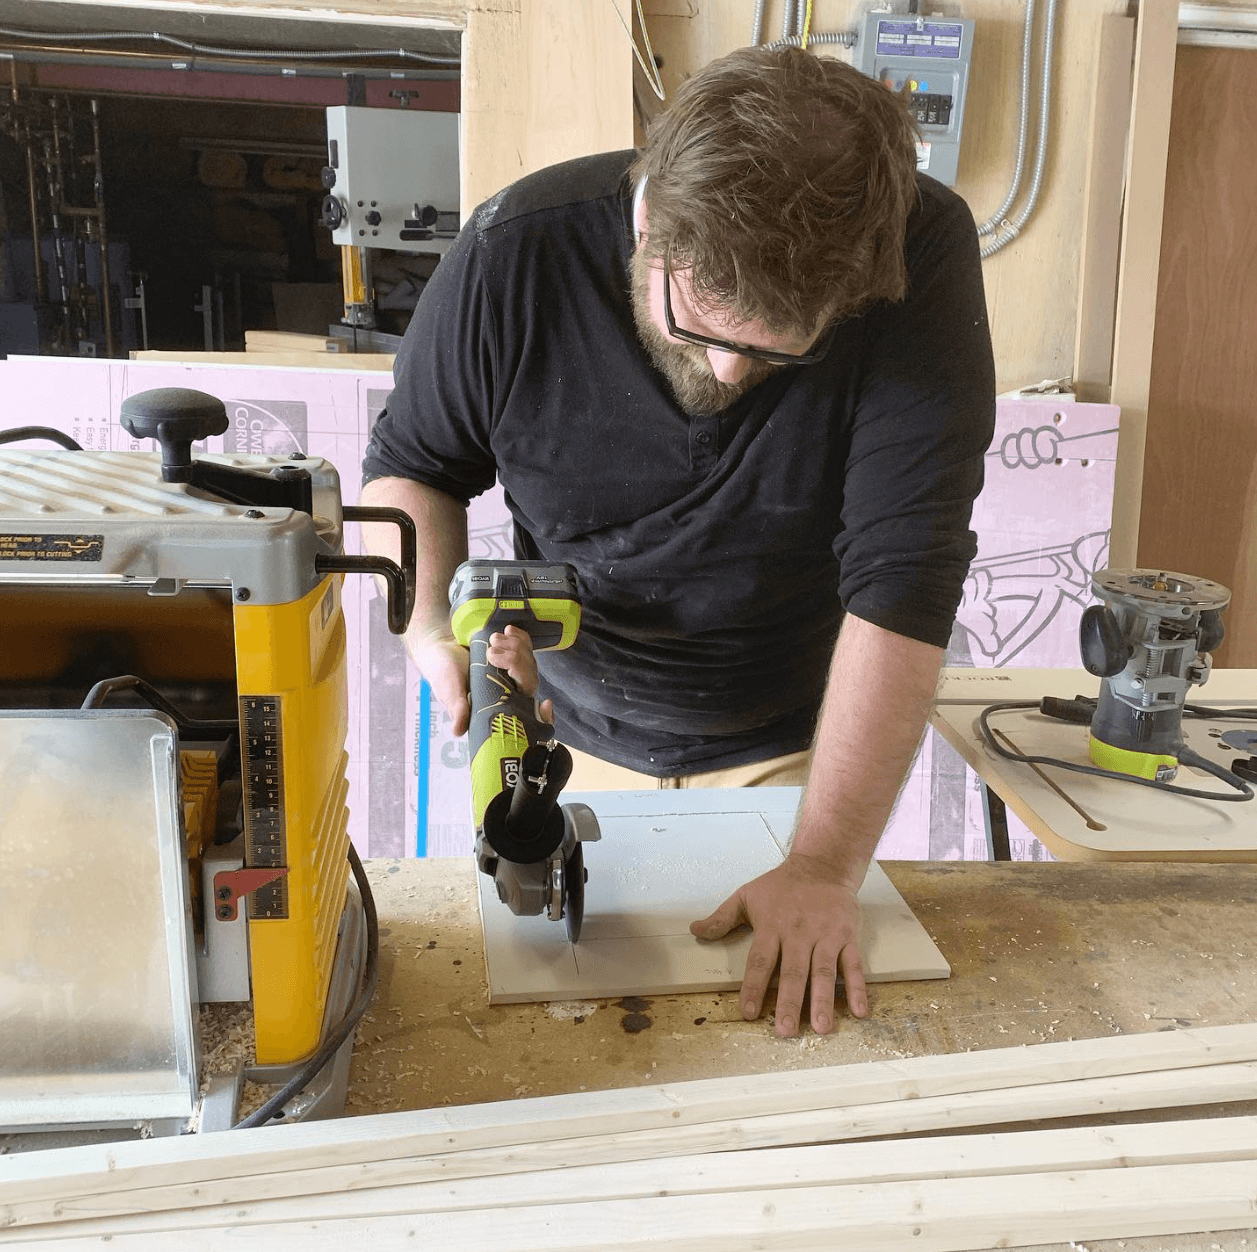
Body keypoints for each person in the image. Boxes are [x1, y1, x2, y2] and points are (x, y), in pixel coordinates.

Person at [359, 45, 996, 1037]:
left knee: (788, 1041)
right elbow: (415, 468)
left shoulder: (920, 249)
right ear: (648, 219)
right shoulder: (515, 251)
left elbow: (905, 577)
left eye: (780, 346)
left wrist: (824, 864)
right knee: (541, 1010)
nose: (733, 369)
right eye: (698, 326)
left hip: (789, 751)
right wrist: (429, 634)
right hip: (564, 725)